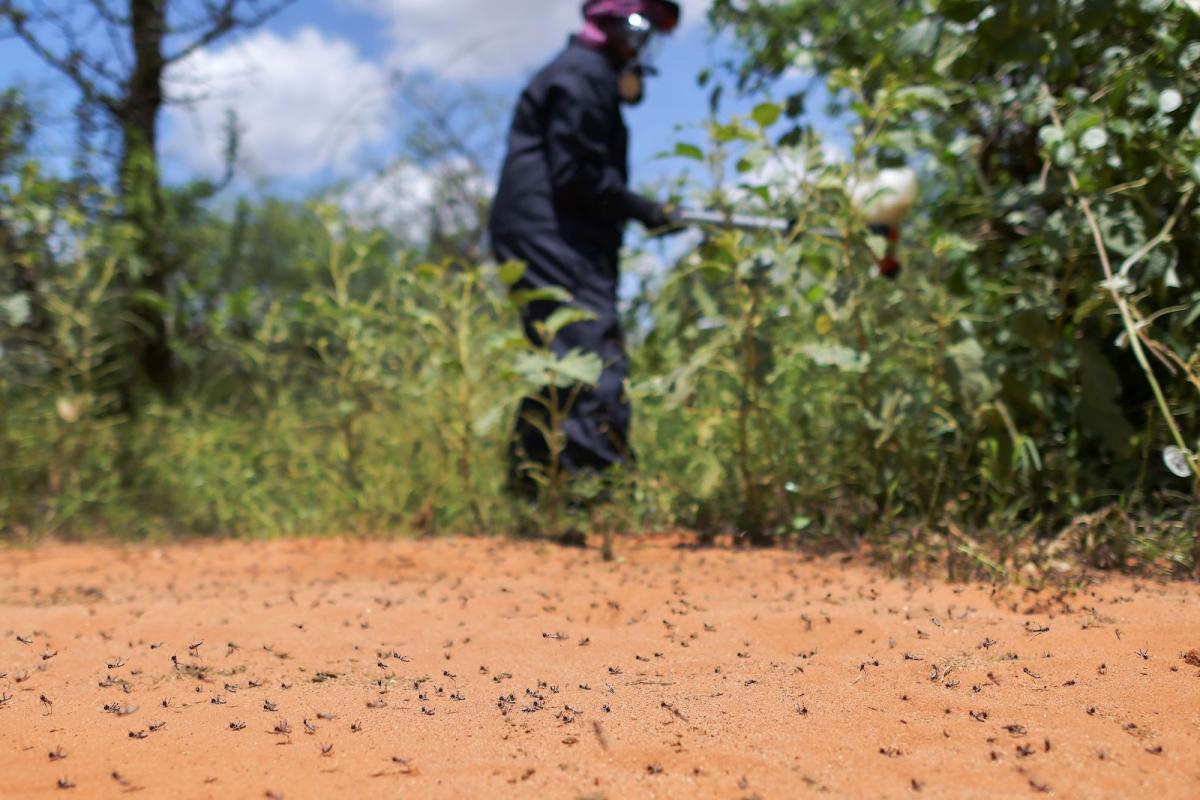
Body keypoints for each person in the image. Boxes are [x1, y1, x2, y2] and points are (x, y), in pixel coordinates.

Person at [489, 1, 681, 503]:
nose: (644, 46)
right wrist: (642, 208)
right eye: (644, 29)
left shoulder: (582, 74)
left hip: (550, 230)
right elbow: (577, 175)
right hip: (552, 232)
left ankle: (534, 492)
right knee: (589, 352)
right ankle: (593, 494)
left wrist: (639, 211)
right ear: (620, 24)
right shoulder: (582, 76)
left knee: (561, 358)